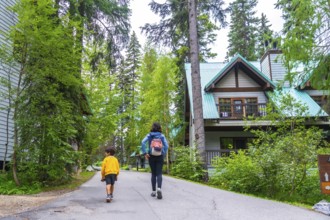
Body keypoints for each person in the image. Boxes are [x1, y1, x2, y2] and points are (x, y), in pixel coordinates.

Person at [141, 122, 168, 199]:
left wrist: (145, 153)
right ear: (160, 128)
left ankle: (153, 191)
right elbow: (166, 145)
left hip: (151, 156)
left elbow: (143, 142)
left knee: (153, 174)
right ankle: (159, 188)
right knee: (159, 173)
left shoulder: (149, 135)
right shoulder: (162, 136)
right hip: (160, 156)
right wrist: (163, 152)